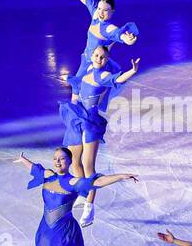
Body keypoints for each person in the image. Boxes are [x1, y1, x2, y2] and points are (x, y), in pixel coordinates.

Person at [59, 47, 139, 227]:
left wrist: (132, 71)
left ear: (106, 60)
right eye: (96, 55)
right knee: (75, 161)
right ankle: (83, 192)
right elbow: (78, 84)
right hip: (78, 117)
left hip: (90, 122)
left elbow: (116, 79)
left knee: (88, 167)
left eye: (102, 57)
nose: (98, 58)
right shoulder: (87, 68)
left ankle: (90, 207)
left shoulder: (102, 76)